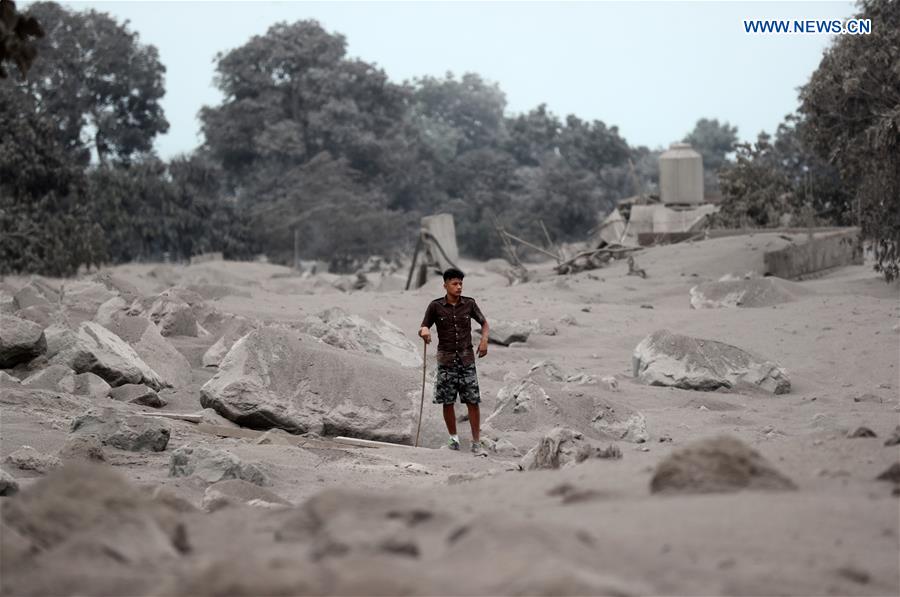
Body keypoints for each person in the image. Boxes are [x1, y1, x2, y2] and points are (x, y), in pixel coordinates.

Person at [419, 268, 489, 455]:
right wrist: (424, 331)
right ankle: (453, 439)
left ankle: (476, 441)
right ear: (445, 285)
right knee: (447, 401)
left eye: (460, 284)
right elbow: (424, 326)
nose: (458, 287)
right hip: (446, 360)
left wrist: (484, 340)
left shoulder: (469, 304)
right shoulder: (435, 306)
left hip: (467, 359)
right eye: (454, 284)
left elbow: (484, 323)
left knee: (472, 400)